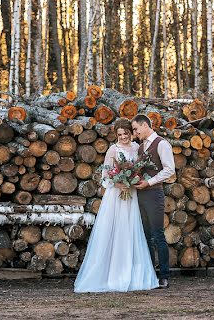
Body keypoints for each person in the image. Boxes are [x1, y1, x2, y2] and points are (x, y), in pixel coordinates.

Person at [73, 119, 159, 293]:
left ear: (131, 132)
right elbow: (105, 176)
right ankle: (111, 274)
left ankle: (130, 273)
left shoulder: (137, 148)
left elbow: (140, 169)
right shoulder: (113, 149)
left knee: (130, 230)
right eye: (119, 134)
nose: (123, 137)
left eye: (126, 133)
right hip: (116, 196)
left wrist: (132, 180)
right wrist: (119, 184)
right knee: (114, 230)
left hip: (132, 194)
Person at [132, 114, 176, 288]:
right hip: (141, 194)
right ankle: (150, 275)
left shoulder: (162, 144)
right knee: (146, 236)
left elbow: (169, 170)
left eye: (136, 129)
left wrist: (149, 182)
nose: (135, 133)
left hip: (154, 194)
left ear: (144, 125)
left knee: (158, 235)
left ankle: (164, 276)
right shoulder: (141, 147)